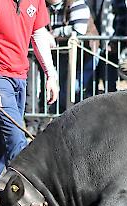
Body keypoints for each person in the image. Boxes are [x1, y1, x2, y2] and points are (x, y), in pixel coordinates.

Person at [0, 0, 59, 187]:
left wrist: (51, 74)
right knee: (15, 137)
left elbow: (39, 32)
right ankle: (31, 192)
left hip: (19, 76)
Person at [26, 0, 98, 134]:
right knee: (50, 91)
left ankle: (74, 125)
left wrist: (52, 34)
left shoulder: (76, 4)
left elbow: (79, 29)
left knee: (73, 91)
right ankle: (47, 122)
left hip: (83, 56)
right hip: (55, 55)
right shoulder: (42, 5)